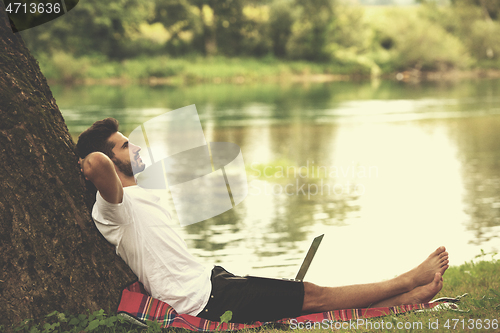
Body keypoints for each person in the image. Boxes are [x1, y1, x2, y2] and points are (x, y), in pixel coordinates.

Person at [77, 118, 450, 324]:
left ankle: (405, 298)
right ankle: (407, 284)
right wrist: (87, 157)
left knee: (299, 294)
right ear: (110, 156)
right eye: (126, 145)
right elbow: (96, 165)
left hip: (211, 280)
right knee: (314, 296)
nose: (138, 148)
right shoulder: (113, 207)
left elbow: (105, 162)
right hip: (202, 300)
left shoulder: (140, 195)